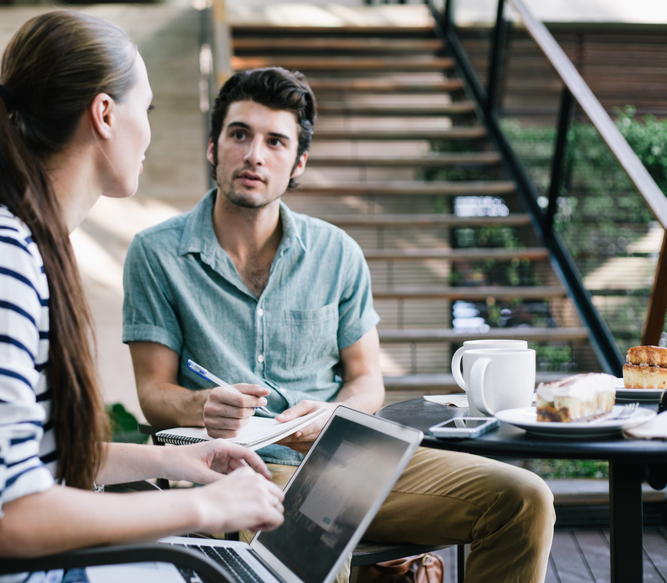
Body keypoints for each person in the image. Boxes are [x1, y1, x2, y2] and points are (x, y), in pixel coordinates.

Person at [0, 11, 284, 577]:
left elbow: (23, 463)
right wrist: (207, 503)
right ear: (105, 114)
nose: (151, 132)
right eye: (148, 109)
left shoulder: (1, 236)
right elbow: (7, 515)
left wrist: (175, 460)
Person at [122, 66, 555, 583]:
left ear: (297, 162)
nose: (254, 154)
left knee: (524, 499)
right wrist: (201, 405)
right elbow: (153, 392)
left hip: (345, 462)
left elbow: (368, 379)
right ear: (214, 148)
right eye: (239, 134)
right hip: (233, 467)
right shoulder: (156, 253)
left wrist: (333, 414)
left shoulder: (338, 253)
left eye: (275, 141)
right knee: (313, 540)